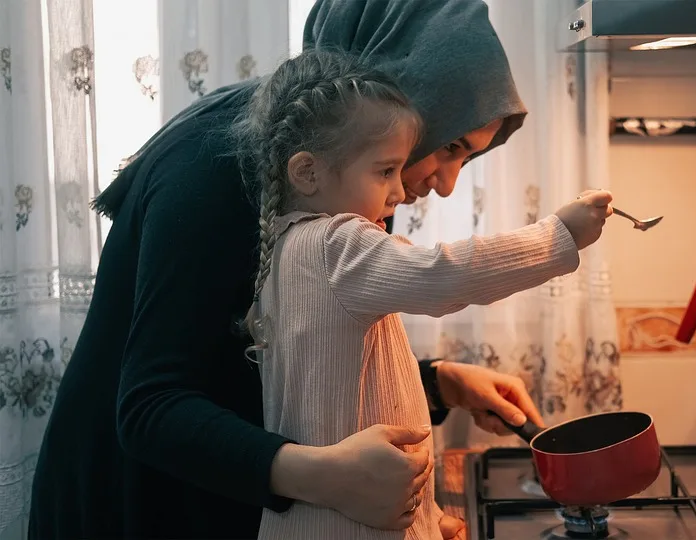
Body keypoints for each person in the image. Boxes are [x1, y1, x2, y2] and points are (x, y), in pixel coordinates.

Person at [28, 1, 552, 539]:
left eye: (469, 159)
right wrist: (330, 479)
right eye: (450, 147)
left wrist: (441, 383)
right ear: (401, 87)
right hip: (129, 506)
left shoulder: (336, 172)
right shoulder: (218, 165)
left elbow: (285, 352)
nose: (446, 184)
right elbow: (152, 409)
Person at [237, 49, 612, 540]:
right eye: (384, 171)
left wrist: (429, 520)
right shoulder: (337, 244)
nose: (398, 192)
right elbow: (443, 274)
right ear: (307, 173)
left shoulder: (286, 249)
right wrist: (557, 235)